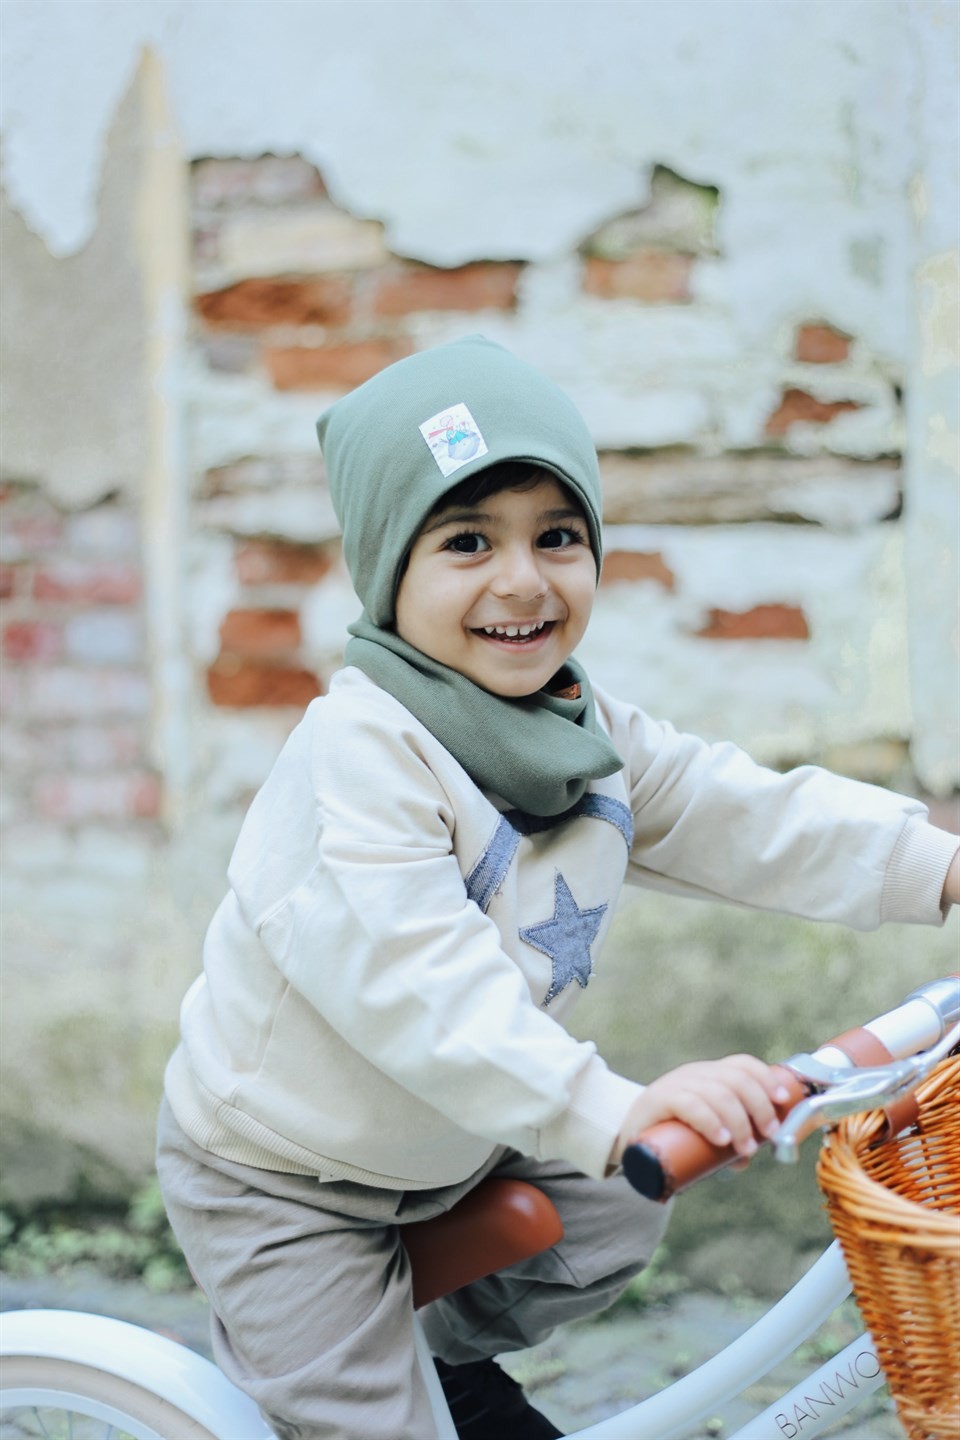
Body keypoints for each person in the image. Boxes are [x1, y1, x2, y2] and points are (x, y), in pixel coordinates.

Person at [156, 335, 959, 1440]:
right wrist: (616, 1107)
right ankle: (357, 1369)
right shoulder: (361, 758)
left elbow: (744, 812)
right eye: (468, 541)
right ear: (389, 570)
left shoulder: (576, 730)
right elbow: (425, 990)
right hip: (290, 1174)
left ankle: (440, 1359)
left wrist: (942, 864)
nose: (523, 579)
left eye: (558, 536)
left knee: (618, 1205)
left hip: (459, 1135)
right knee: (370, 1418)